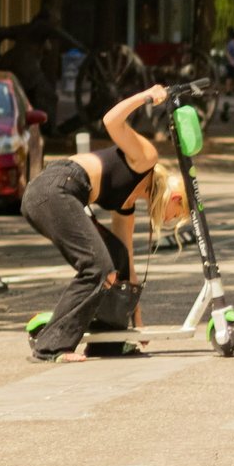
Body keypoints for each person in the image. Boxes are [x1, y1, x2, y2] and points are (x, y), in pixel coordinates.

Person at [21, 83, 188, 362]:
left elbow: (128, 269)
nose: (172, 220)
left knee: (117, 258)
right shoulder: (146, 158)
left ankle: (107, 342)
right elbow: (111, 120)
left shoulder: (127, 205)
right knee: (98, 268)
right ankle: (50, 347)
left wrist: (138, 325)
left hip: (63, 195)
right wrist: (145, 96)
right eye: (177, 214)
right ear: (176, 197)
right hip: (54, 189)